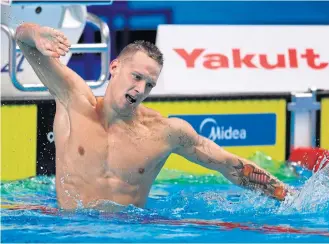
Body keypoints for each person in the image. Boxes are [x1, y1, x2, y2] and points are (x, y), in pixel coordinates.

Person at [15, 23, 293, 210]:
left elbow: (230, 166)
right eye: (136, 77)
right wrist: (36, 33)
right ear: (114, 67)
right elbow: (22, 39)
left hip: (133, 233)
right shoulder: (73, 99)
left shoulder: (163, 132)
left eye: (149, 84)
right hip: (68, 233)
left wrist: (287, 196)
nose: (140, 89)